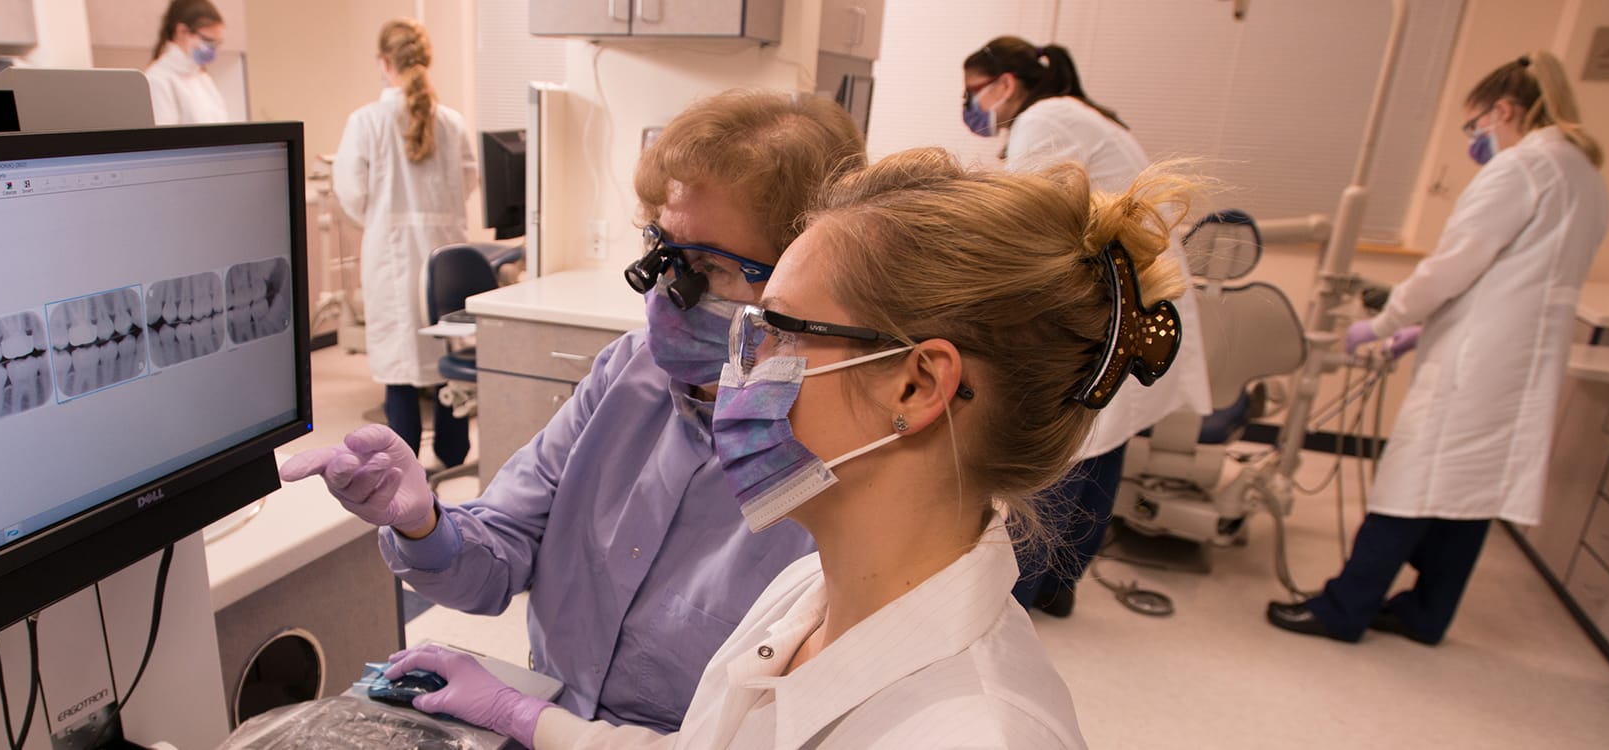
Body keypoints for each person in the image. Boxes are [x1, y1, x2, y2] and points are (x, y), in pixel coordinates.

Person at [380, 150, 1197, 749]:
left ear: (916, 386)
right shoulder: (809, 590)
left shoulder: (972, 732)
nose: (739, 368)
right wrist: (530, 718)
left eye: (779, 332)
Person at [280, 91, 866, 731]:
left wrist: (532, 721)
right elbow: (495, 562)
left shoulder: (843, 458)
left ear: (800, 278)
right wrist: (423, 524)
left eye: (706, 267)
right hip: (543, 714)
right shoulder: (628, 372)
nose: (669, 292)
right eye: (662, 250)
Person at [1267, 51, 1609, 645]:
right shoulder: (1582, 171)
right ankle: (1427, 614)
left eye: (1474, 126)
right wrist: (1421, 332)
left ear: (1504, 110)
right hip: (1519, 358)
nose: (1476, 141)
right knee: (1471, 489)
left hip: (1478, 359)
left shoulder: (1520, 169)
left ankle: (1344, 609)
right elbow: (1515, 280)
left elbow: (1450, 268)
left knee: (1413, 479)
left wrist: (1381, 324)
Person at [963, 35, 1212, 615]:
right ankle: (1057, 589)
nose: (972, 104)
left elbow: (1023, 220)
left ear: (1006, 85)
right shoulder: (1079, 113)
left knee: (1064, 451)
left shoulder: (1045, 117)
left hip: (1114, 304)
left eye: (975, 90)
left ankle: (1011, 602)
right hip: (1133, 298)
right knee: (1102, 444)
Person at [329, 18, 479, 467]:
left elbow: (352, 194)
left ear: (384, 63)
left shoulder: (367, 121)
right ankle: (454, 458)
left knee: (400, 368)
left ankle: (403, 470)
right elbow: (468, 181)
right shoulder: (451, 122)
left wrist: (382, 220)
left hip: (392, 257)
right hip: (445, 260)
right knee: (446, 358)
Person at [145, 0, 230, 125]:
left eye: (217, 43)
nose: (212, 48)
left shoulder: (202, 77)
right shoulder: (157, 79)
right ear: (182, 31)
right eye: (207, 40)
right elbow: (164, 139)